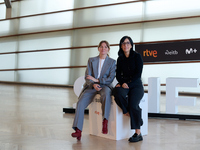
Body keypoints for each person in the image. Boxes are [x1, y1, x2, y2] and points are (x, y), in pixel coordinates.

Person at [71, 40, 116, 140]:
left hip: (105, 86)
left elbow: (110, 78)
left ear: (108, 49)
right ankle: (78, 130)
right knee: (80, 103)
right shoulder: (91, 60)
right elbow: (87, 77)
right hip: (92, 86)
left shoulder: (112, 62)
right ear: (98, 48)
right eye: (101, 46)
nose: (103, 48)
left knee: (105, 95)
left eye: (105, 47)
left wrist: (98, 80)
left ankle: (105, 121)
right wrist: (93, 84)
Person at [113, 36, 144, 143]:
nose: (125, 45)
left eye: (127, 43)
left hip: (136, 85)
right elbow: (118, 74)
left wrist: (128, 83)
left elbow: (138, 74)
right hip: (124, 84)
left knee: (133, 104)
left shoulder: (137, 56)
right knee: (116, 92)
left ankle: (138, 133)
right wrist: (121, 83)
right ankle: (128, 112)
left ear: (131, 45)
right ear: (121, 46)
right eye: (123, 43)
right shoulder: (120, 59)